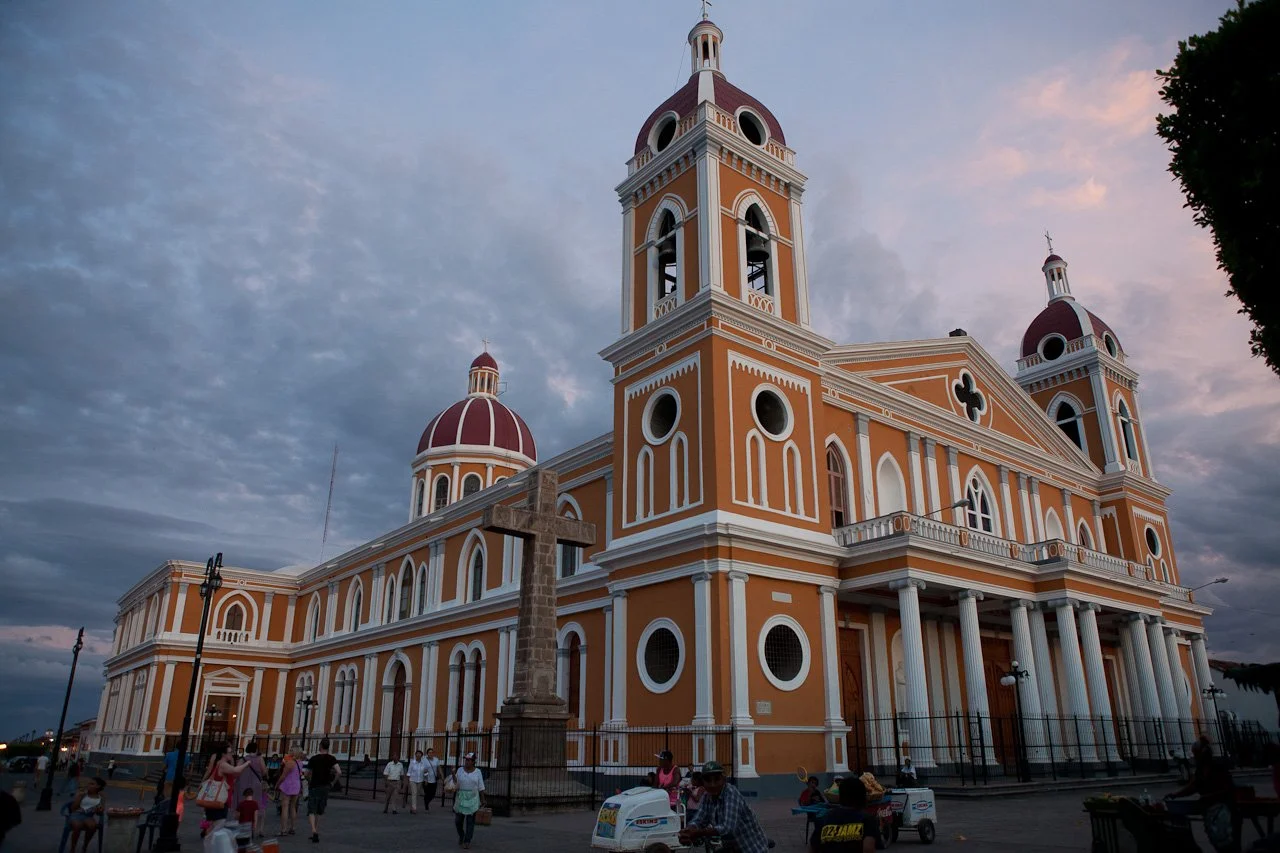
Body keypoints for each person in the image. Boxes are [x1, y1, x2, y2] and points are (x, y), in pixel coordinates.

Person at [678, 761, 770, 853]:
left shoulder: (731, 793)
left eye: (717, 779)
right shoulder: (707, 796)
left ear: (724, 779)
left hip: (751, 849)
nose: (712, 785)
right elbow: (699, 819)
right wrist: (688, 830)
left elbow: (727, 828)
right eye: (708, 780)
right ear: (703, 782)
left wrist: (699, 833)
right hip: (732, 848)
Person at [809, 776, 881, 853]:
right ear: (863, 797)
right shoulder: (868, 820)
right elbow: (868, 849)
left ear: (840, 796)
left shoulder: (824, 818)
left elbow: (813, 848)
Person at [202, 743, 250, 829]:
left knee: (215, 825)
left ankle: (210, 839)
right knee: (218, 826)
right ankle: (211, 840)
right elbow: (235, 770)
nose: (231, 754)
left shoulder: (223, 763)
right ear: (224, 754)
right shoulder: (222, 764)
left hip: (221, 798)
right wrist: (247, 763)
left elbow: (234, 775)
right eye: (230, 752)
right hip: (219, 799)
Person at [305, 739, 340, 844]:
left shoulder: (314, 759)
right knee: (320, 809)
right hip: (325, 786)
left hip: (314, 786)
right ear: (328, 747)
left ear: (320, 746)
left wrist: (309, 781)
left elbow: (306, 773)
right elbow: (339, 772)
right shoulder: (331, 758)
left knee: (311, 809)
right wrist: (333, 783)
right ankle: (316, 829)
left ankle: (313, 830)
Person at [451, 752, 486, 850]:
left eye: (469, 760)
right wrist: (453, 773)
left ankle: (467, 840)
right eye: (466, 759)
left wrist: (483, 799)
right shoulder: (460, 770)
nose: (467, 762)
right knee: (458, 821)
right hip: (461, 796)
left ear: (473, 761)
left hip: (473, 797)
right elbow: (455, 782)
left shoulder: (478, 772)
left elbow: (481, 786)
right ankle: (461, 835)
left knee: (470, 822)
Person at [67, 776, 107, 853]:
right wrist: (79, 797)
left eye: (92, 784)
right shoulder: (83, 794)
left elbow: (100, 812)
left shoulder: (101, 796)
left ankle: (85, 846)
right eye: (89, 784)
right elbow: (73, 809)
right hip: (77, 814)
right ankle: (73, 848)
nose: (89, 785)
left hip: (88, 816)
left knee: (93, 826)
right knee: (77, 825)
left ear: (98, 786)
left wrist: (99, 810)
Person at [241, 742, 268, 833]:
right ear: (256, 749)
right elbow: (264, 771)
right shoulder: (259, 759)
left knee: (247, 804)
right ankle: (259, 829)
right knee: (260, 805)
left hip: (246, 784)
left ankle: (246, 825)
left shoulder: (244, 759)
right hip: (257, 784)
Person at [276, 747, 303, 836]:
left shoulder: (290, 763)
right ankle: (293, 828)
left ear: (295, 752)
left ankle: (283, 830)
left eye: (291, 750)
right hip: (297, 785)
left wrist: (277, 784)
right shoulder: (300, 763)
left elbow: (283, 776)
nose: (289, 751)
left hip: (288, 785)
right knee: (293, 807)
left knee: (285, 807)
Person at [421, 747, 442, 811]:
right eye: (429, 752)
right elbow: (424, 770)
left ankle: (426, 801)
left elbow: (439, 768)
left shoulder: (436, 759)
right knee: (427, 793)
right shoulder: (424, 760)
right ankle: (426, 803)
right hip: (426, 780)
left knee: (433, 794)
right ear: (427, 753)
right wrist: (426, 780)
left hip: (434, 779)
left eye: (432, 752)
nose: (431, 754)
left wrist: (442, 776)